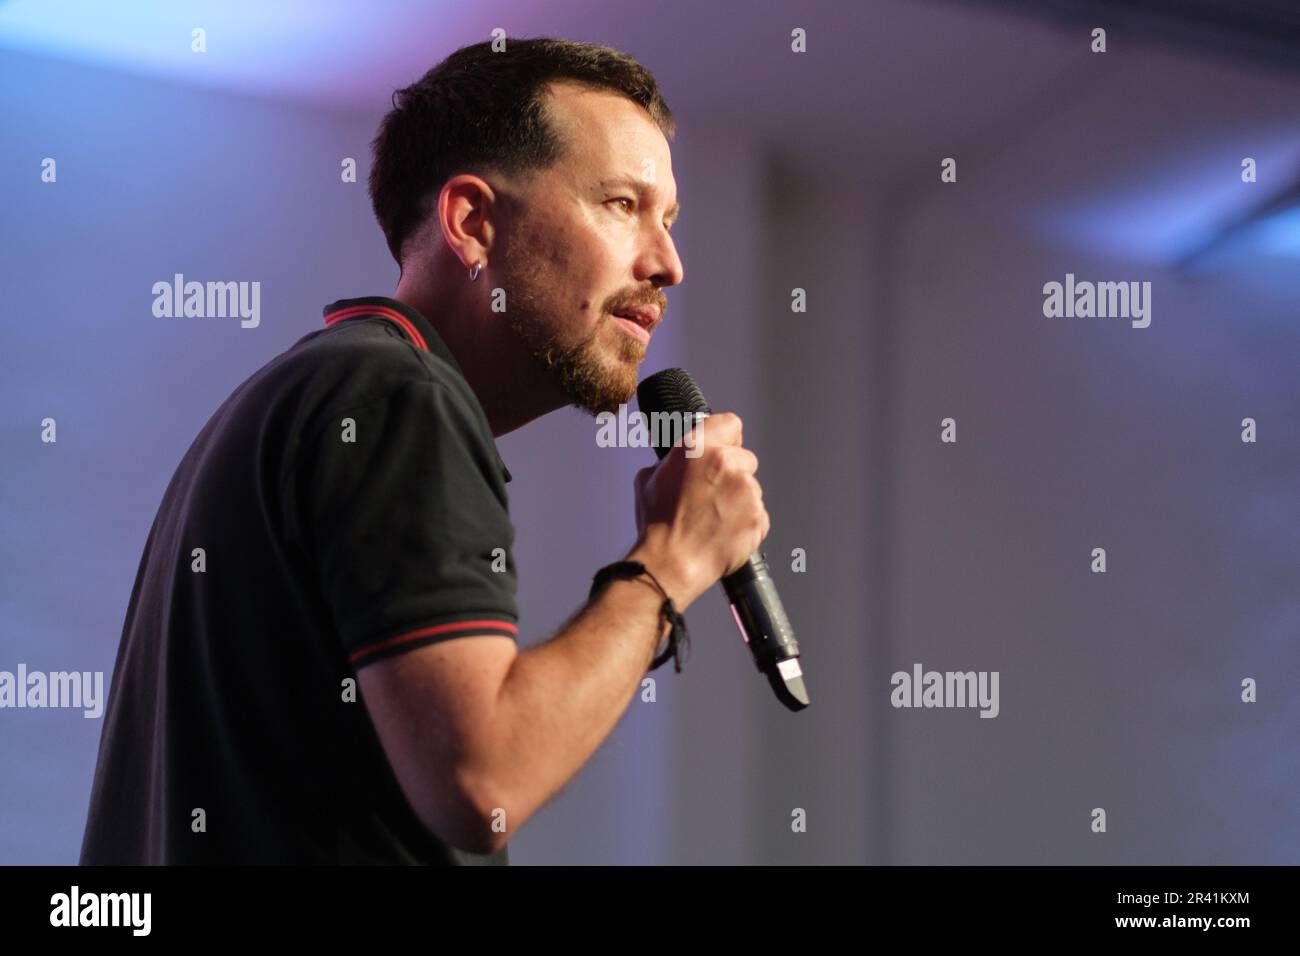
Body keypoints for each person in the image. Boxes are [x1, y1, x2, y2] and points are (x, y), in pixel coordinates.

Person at [80, 37, 769, 865]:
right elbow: (484, 782)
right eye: (622, 204)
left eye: (669, 222)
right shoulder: (396, 396)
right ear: (473, 223)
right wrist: (672, 558)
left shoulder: (309, 396)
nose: (668, 265)